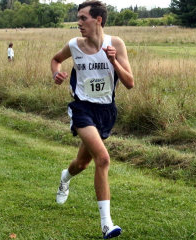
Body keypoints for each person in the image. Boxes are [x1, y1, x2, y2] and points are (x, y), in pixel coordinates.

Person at [50, 1, 134, 239]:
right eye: (78, 18)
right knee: (103, 158)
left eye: (83, 18)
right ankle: (107, 224)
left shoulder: (115, 44)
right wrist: (56, 73)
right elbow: (56, 59)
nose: (79, 23)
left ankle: (65, 177)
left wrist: (114, 61)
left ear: (98, 20)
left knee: (81, 164)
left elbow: (130, 83)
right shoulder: (74, 45)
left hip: (106, 111)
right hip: (81, 108)